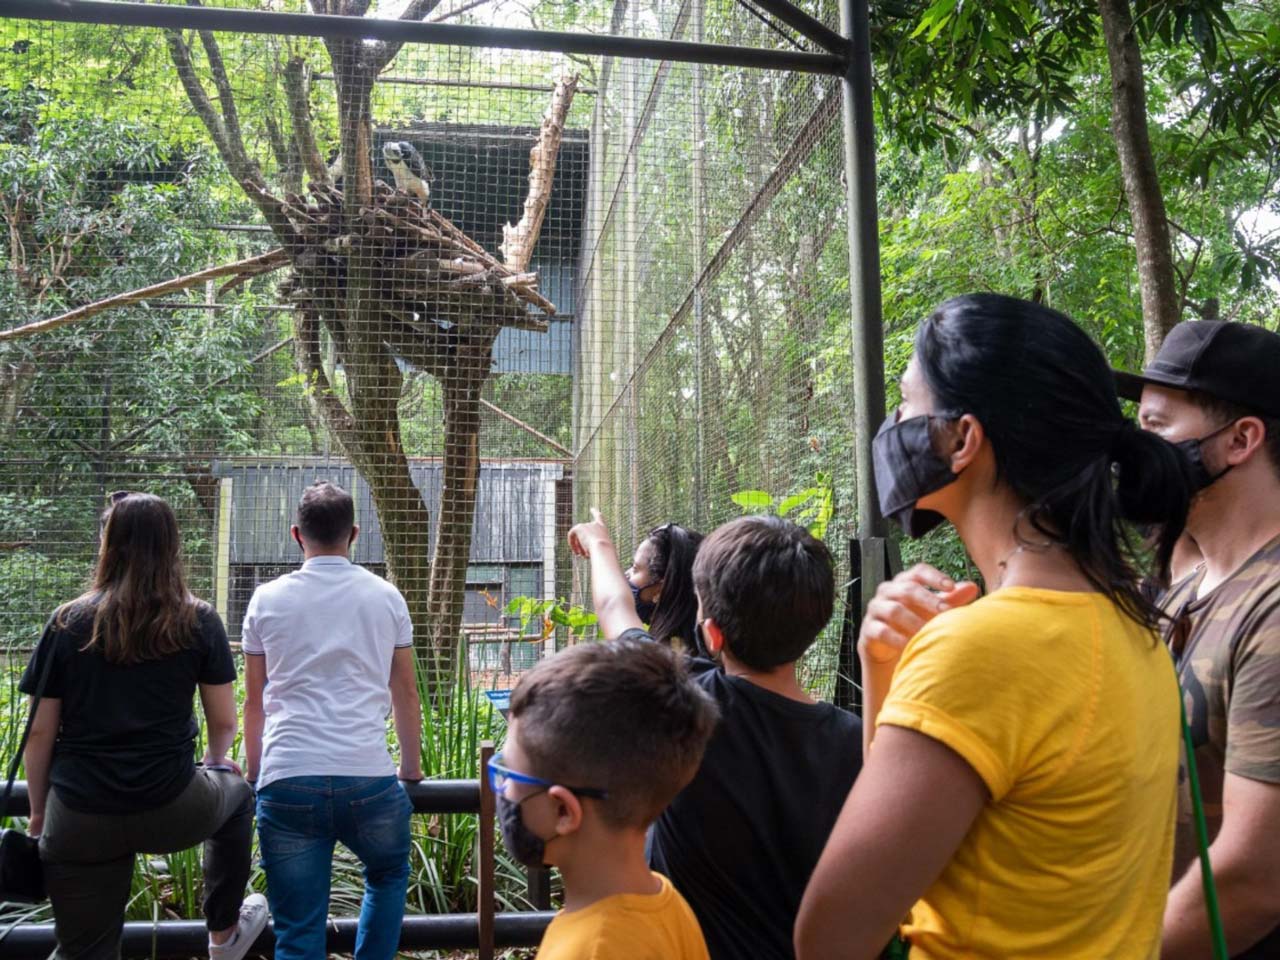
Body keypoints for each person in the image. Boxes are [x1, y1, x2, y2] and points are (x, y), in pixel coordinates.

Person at [794, 294, 1193, 960]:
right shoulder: (1135, 628)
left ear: (962, 439)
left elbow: (830, 936)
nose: (894, 425)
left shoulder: (983, 650)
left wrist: (938, 666)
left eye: (907, 404)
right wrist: (885, 668)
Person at [570, 510, 861, 960]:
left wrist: (599, 544)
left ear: (712, 634)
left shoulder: (685, 700)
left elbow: (615, 609)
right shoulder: (855, 742)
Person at [20, 492, 267, 960]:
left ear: (107, 543)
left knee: (83, 951)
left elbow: (38, 732)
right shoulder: (199, 619)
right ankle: (224, 935)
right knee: (239, 797)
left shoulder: (66, 621)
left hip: (80, 813)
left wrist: (38, 812)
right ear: (173, 546)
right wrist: (215, 762)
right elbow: (224, 720)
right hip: (173, 806)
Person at [1119, 319, 1280, 959]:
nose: (1136, 449)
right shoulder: (1186, 584)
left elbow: (1255, 879)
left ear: (1240, 440)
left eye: (1156, 429)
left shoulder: (1272, 607)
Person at [241, 480, 423, 960]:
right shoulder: (387, 597)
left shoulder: (265, 600)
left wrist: (255, 771)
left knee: (297, 930)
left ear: (297, 534)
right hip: (368, 778)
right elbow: (405, 691)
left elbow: (254, 700)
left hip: (287, 777)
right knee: (387, 875)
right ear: (354, 533)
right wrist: (411, 767)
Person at [491, 636, 718, 959]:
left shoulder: (593, 948)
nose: (502, 791)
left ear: (563, 811)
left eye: (509, 775)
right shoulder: (665, 902)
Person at [623, 522, 704, 655]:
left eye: (635, 569)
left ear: (660, 589)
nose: (626, 575)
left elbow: (613, 610)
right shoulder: (704, 646)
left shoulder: (662, 655)